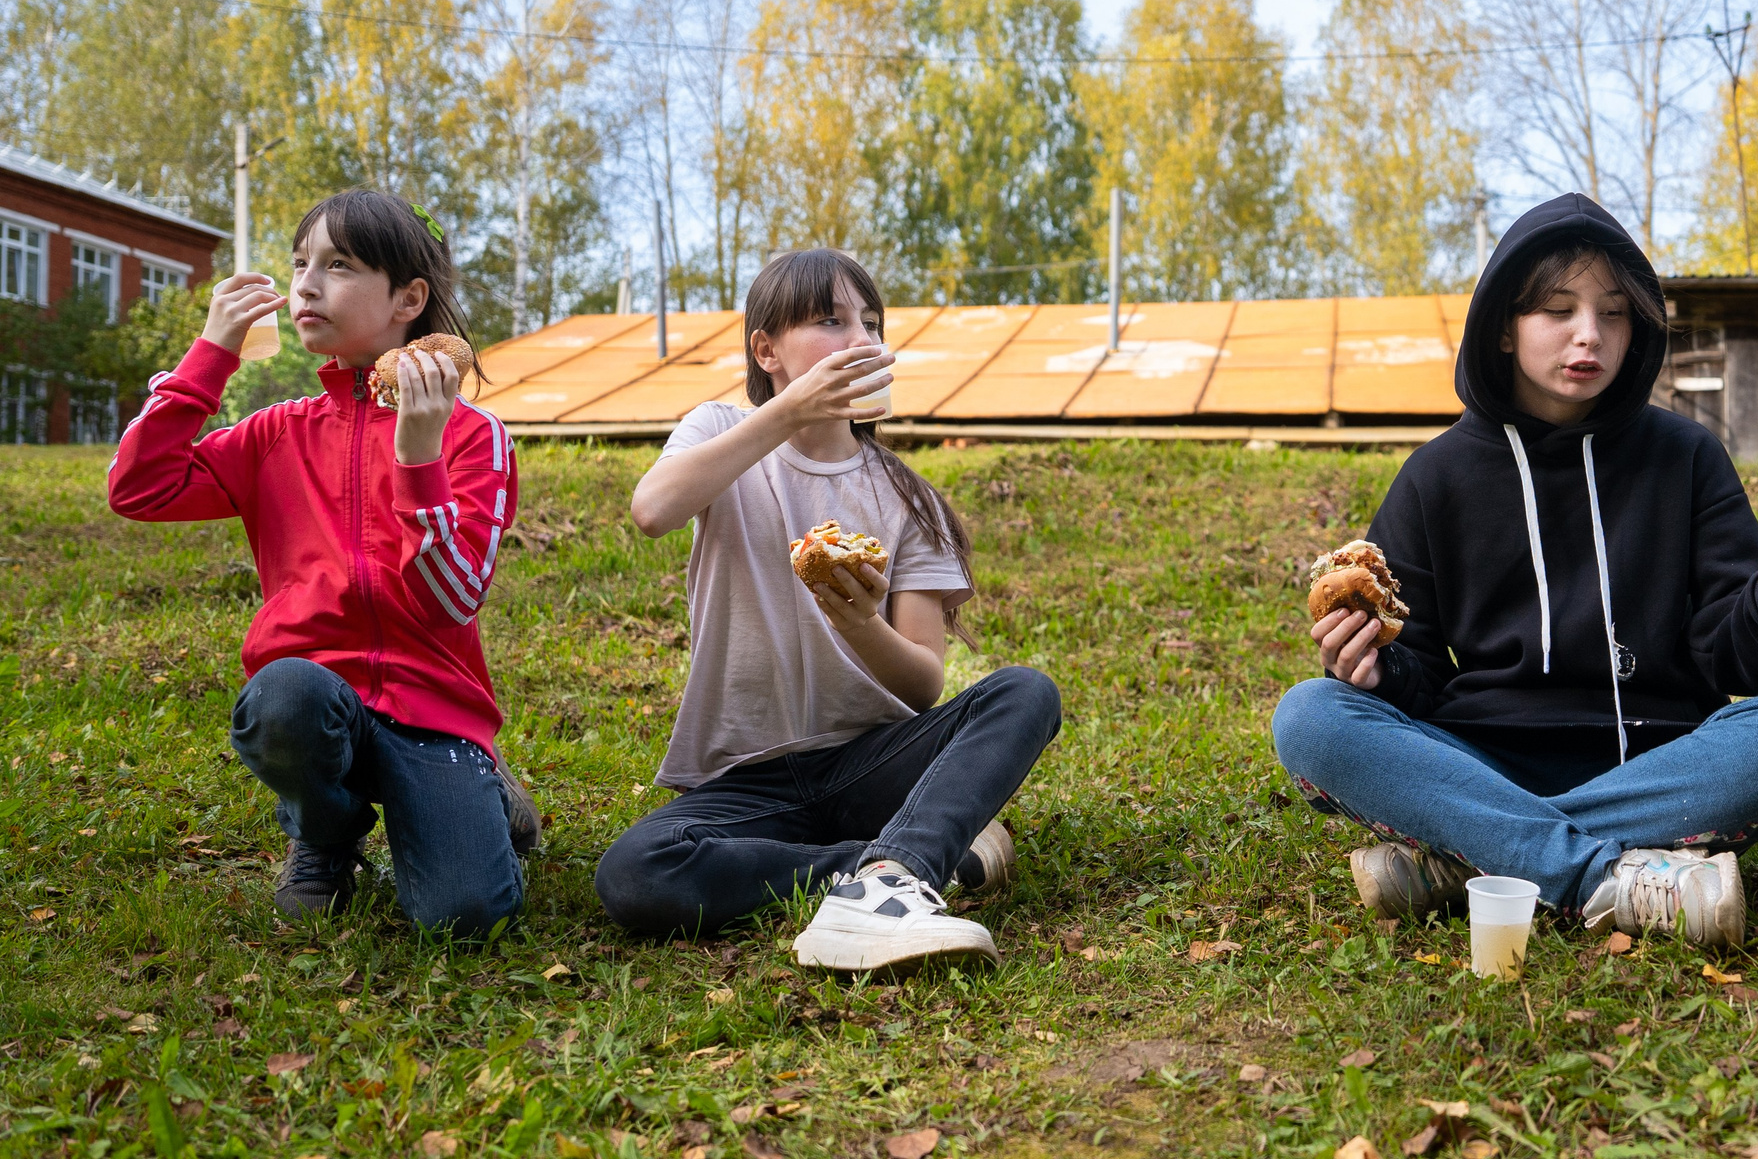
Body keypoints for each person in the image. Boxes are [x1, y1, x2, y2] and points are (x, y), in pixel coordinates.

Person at [1269, 194, 1758, 945]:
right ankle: (1601, 876)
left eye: (1614, 313)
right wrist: (1372, 669)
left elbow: (1732, 656)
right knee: (1311, 715)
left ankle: (1473, 856)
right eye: (1558, 310)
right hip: (1482, 763)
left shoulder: (1686, 456)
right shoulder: (1435, 477)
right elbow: (1417, 674)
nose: (1591, 335)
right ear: (1504, 328)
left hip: (1662, 760)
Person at [595, 248, 1060, 969]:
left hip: (873, 763)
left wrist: (858, 623)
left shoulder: (908, 498)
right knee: (635, 871)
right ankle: (897, 862)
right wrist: (787, 413)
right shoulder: (718, 429)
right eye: (831, 321)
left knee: (1025, 692)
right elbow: (653, 510)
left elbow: (922, 685)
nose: (861, 339)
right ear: (767, 351)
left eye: (871, 323)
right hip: (745, 779)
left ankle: (892, 874)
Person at [109, 190, 530, 936]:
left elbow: (451, 602)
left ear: (408, 299)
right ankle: (325, 833)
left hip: (433, 711)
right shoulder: (276, 433)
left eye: (338, 266)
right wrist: (209, 359)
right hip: (315, 699)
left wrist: (418, 459)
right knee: (284, 696)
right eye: (301, 262)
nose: (305, 284)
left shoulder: (472, 437)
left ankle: (483, 790)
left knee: (465, 918)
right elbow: (139, 488)